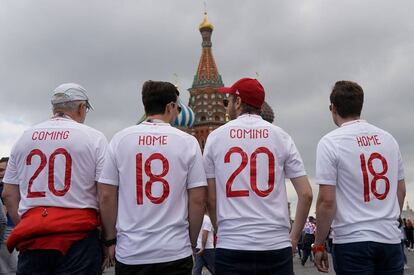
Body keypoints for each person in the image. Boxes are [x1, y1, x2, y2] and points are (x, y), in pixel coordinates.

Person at [203, 77, 313, 275]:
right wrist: (294, 237)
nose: (226, 105)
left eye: (228, 100)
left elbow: (210, 199)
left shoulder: (216, 137)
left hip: (232, 245)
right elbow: (306, 194)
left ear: (238, 102)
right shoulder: (281, 136)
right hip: (275, 245)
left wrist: (222, 231)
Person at [98, 80, 207, 275]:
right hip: (174, 251)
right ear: (170, 106)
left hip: (131, 251)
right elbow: (198, 199)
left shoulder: (120, 139)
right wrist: (190, 241)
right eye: (177, 108)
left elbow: (106, 196)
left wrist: (110, 240)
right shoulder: (188, 143)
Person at [1, 83, 108, 274]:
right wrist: (109, 238)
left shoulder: (24, 138)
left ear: (54, 108)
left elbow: (9, 195)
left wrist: (27, 226)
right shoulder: (94, 138)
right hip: (79, 236)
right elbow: (104, 194)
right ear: (81, 108)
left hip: (33, 235)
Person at [313, 80, 406, 274]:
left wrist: (319, 244)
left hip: (352, 240)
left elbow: (326, 202)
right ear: (360, 106)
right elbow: (401, 190)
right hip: (389, 239)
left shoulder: (330, 142)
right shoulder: (389, 140)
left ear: (333, 108)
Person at [0, 157, 18, 275]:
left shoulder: (15, 187)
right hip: (5, 230)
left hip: (10, 229)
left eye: (2, 170)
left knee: (10, 269)